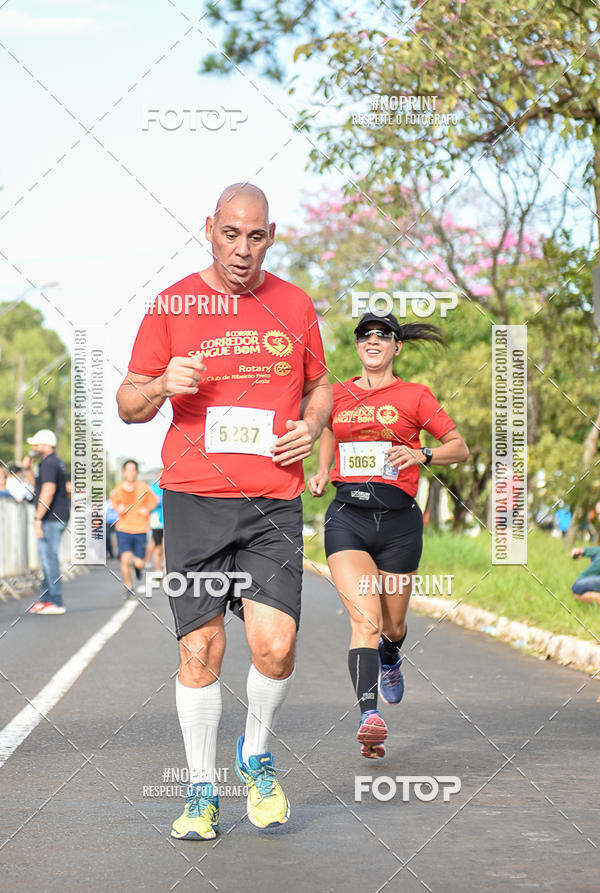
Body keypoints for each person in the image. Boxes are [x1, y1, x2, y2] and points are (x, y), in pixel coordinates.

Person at [116, 183, 331, 840]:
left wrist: (311, 425)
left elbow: (321, 385)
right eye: (231, 234)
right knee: (201, 649)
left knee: (276, 647)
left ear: (272, 237)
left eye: (255, 236)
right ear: (209, 228)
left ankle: (255, 755)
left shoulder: (295, 304)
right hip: (194, 499)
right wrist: (161, 384)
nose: (242, 249)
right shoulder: (173, 304)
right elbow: (128, 402)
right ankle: (202, 791)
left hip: (272, 501)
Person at [308, 312, 469, 759]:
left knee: (392, 627)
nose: (373, 340)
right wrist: (322, 469)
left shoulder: (415, 395)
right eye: (365, 335)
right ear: (358, 345)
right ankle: (369, 718)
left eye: (383, 335)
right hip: (348, 518)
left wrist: (420, 453)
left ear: (397, 345)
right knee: (366, 621)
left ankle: (391, 656)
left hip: (399, 524)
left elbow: (459, 447)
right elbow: (327, 428)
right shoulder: (337, 394)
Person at [24, 430, 70, 615]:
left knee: (49, 559)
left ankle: (55, 600)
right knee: (46, 559)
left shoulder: (49, 463)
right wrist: (28, 470)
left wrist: (38, 518)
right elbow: (38, 488)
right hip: (53, 517)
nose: (34, 447)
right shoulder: (50, 463)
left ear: (47, 445)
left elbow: (48, 490)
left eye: (37, 444)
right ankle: (46, 599)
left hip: (51, 518)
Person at [109, 460, 157, 597]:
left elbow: (154, 502)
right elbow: (113, 503)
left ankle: (138, 568)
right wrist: (118, 508)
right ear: (124, 472)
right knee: (125, 559)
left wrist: (147, 509)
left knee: (139, 562)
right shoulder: (118, 489)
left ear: (136, 472)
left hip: (140, 528)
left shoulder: (144, 487)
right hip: (123, 528)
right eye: (128, 470)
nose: (130, 473)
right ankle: (129, 586)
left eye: (133, 470)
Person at [144, 476, 165, 576]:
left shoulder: (168, 486)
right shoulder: (152, 487)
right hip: (157, 523)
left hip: (167, 521)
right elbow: (148, 503)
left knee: (162, 547)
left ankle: (164, 568)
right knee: (157, 547)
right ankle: (157, 571)